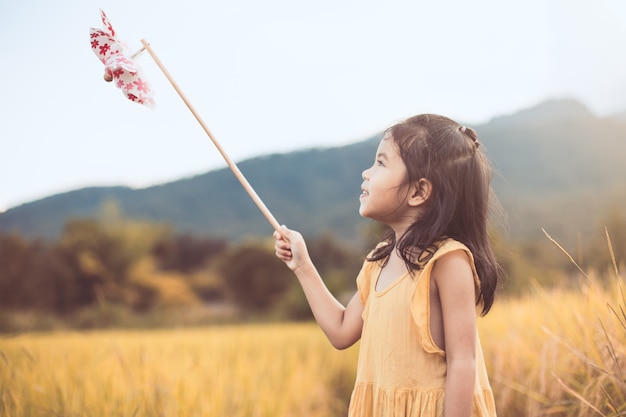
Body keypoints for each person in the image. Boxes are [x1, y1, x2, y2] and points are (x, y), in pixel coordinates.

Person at [274, 113, 500, 417]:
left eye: (381, 163)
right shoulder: (378, 261)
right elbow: (341, 331)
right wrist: (302, 266)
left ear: (419, 191)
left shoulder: (447, 260)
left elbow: (464, 362)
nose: (366, 173)